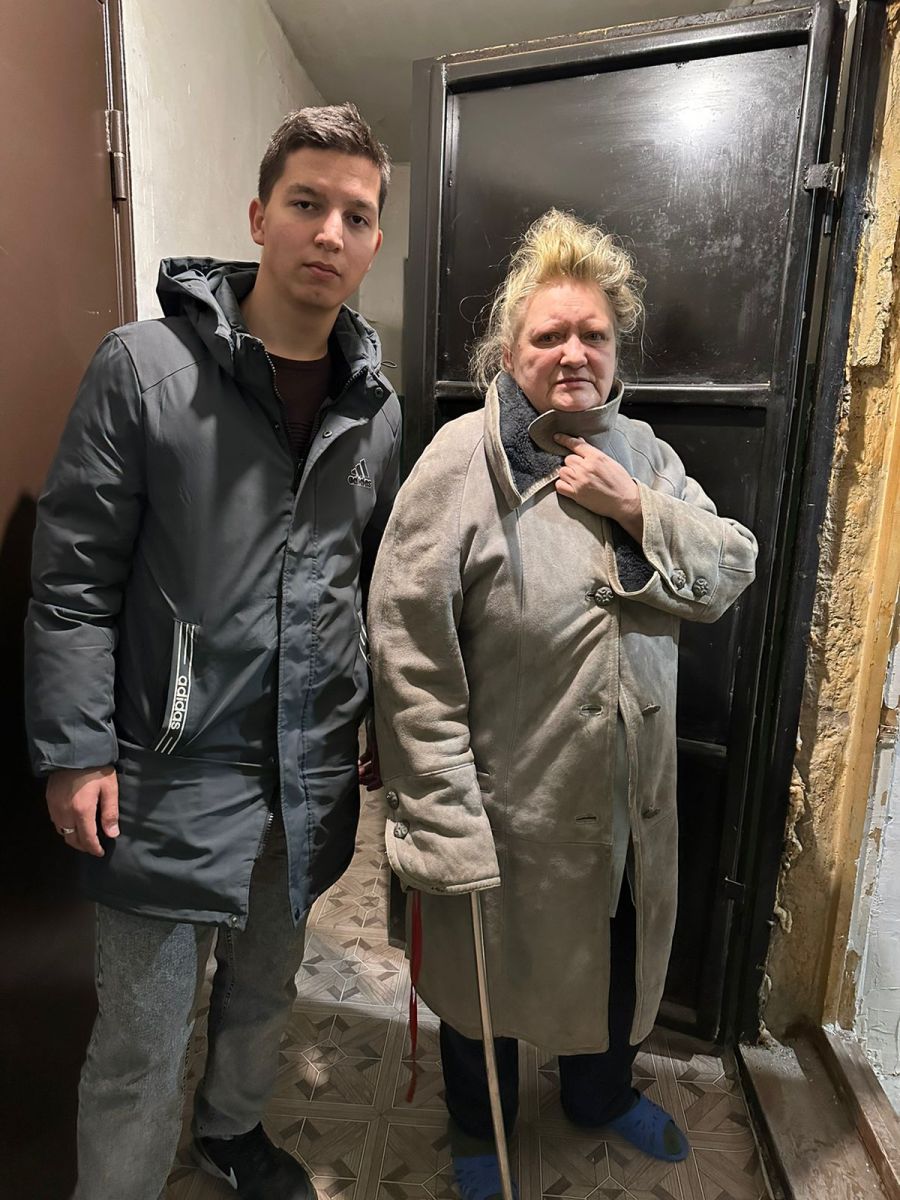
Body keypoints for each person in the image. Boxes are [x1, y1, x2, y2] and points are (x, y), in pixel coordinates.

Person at [24, 103, 400, 1200]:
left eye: (356, 215)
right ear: (257, 216)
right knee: (139, 1044)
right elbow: (74, 578)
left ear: (375, 242)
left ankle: (230, 1134)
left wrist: (370, 716)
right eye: (306, 203)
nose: (329, 232)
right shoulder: (144, 370)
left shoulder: (376, 409)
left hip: (306, 774)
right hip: (163, 773)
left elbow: (366, 579)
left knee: (266, 989)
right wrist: (76, 750)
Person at [368, 209, 758, 1200]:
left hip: (628, 811)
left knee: (615, 965)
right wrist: (442, 819)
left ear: (616, 351)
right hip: (508, 810)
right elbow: (409, 652)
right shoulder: (458, 462)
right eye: (551, 335)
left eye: (595, 334)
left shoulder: (649, 456)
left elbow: (728, 571)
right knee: (482, 985)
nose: (575, 352)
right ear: (510, 353)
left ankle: (598, 1096)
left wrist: (634, 507)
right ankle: (479, 1125)